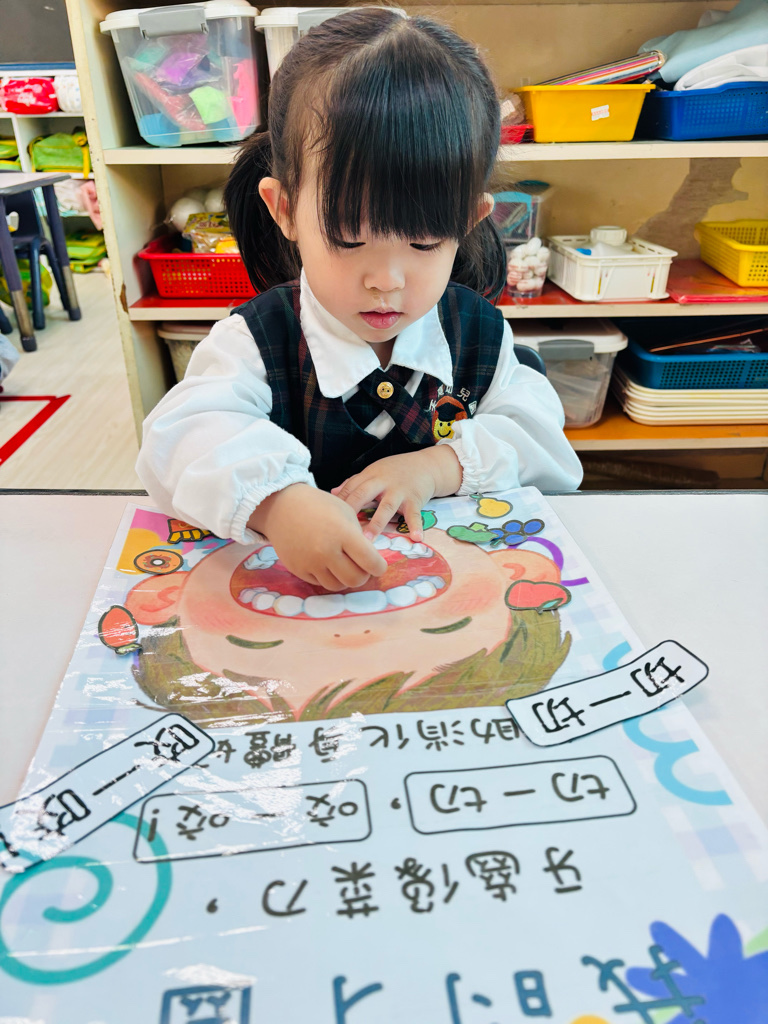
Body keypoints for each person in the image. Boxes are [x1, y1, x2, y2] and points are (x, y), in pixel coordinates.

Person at [137, 8, 582, 596]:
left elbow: (542, 443)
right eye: (348, 240)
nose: (386, 281)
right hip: (300, 609)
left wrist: (438, 467)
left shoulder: (479, 335)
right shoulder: (258, 341)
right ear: (285, 210)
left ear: (469, 221)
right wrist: (276, 503)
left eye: (424, 243)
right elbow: (181, 437)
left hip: (444, 601)